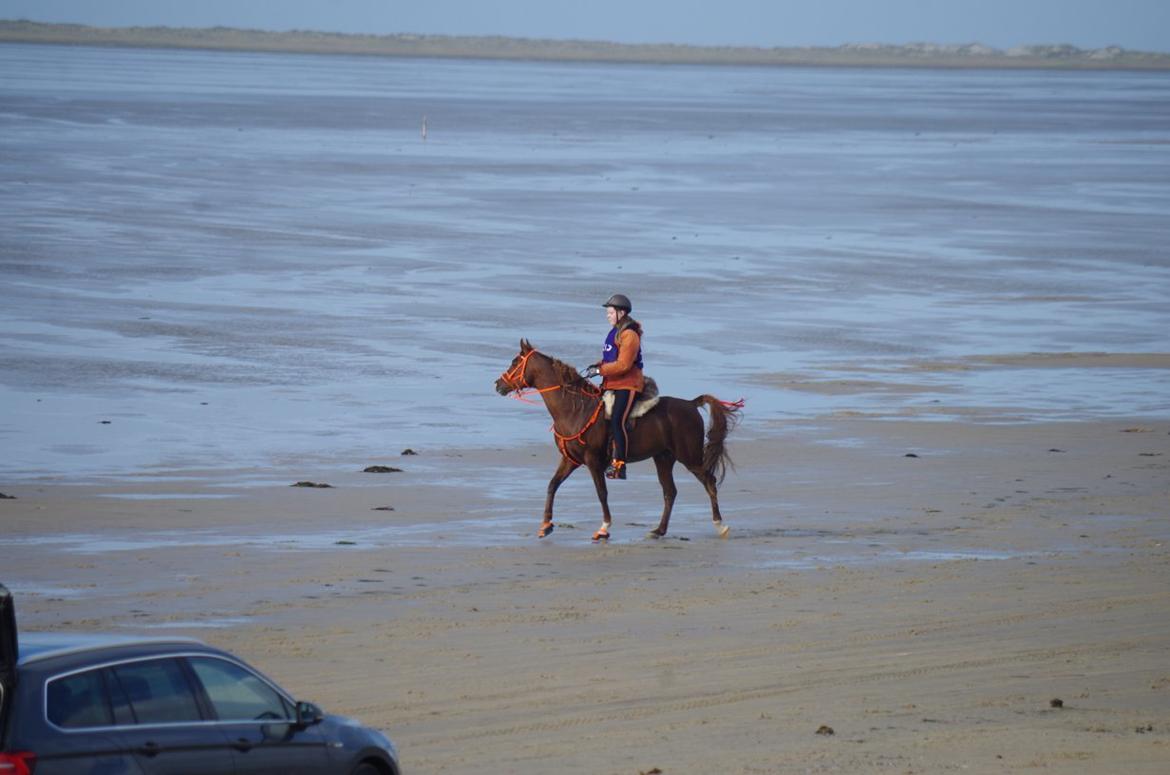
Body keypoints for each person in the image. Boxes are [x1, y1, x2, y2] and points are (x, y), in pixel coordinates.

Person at [585, 293, 644, 480]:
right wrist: (597, 365)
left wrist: (600, 371)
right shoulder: (615, 332)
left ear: (622, 312)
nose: (607, 315)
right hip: (612, 383)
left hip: (628, 385)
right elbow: (609, 359)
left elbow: (624, 365)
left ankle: (620, 465)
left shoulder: (630, 335)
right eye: (608, 312)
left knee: (618, 420)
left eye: (610, 312)